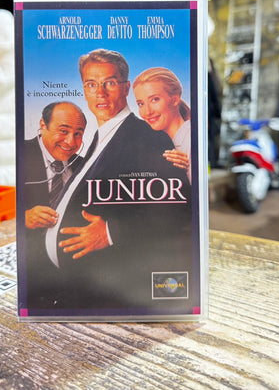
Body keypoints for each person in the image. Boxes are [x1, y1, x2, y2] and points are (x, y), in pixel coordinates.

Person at [41, 49, 192, 311]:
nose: (99, 92)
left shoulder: (147, 136)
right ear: (84, 90)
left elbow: (179, 210)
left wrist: (110, 232)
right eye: (91, 84)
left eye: (109, 83)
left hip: (109, 295)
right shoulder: (98, 138)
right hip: (71, 287)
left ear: (125, 88)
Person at [23, 101, 86, 306]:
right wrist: (23, 217)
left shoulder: (83, 164)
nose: (71, 141)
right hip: (31, 271)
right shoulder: (19, 153)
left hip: (72, 269)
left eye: (78, 133)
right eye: (63, 131)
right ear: (43, 125)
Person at [133, 67, 192, 182]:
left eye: (155, 99)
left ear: (174, 100)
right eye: (141, 104)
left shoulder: (192, 138)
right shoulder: (154, 144)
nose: (147, 112)